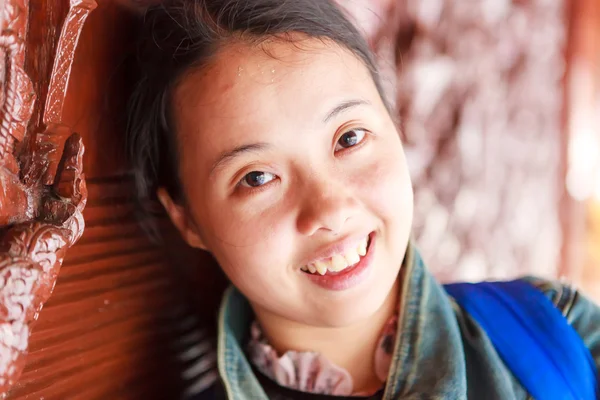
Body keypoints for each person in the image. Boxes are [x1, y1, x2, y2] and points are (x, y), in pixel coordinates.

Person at [125, 0, 600, 398]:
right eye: (256, 178)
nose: (329, 209)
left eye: (349, 138)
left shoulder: (555, 330)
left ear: (394, 127)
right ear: (184, 218)